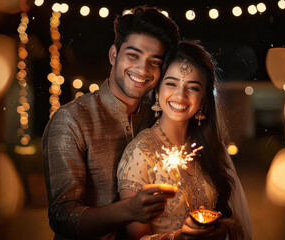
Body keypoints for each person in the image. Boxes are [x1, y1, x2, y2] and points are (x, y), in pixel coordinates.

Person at [41, 6, 180, 240]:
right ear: (114, 55)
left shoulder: (157, 116)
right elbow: (62, 217)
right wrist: (129, 210)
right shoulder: (71, 120)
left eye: (154, 61)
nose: (142, 69)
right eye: (133, 55)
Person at [117, 41, 252, 239]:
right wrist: (179, 237)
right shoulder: (139, 153)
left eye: (193, 88)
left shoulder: (210, 148)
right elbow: (137, 237)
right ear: (157, 90)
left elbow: (230, 216)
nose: (180, 95)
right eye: (171, 83)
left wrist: (223, 230)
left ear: (203, 99)